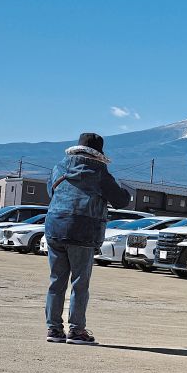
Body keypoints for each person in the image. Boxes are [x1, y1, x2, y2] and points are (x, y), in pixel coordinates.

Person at [44, 132, 131, 344]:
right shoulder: (99, 172)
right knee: (79, 283)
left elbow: (50, 192)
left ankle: (54, 330)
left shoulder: (59, 168)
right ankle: (77, 331)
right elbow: (121, 200)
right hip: (82, 230)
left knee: (56, 281)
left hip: (55, 227)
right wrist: (126, 192)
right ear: (98, 153)